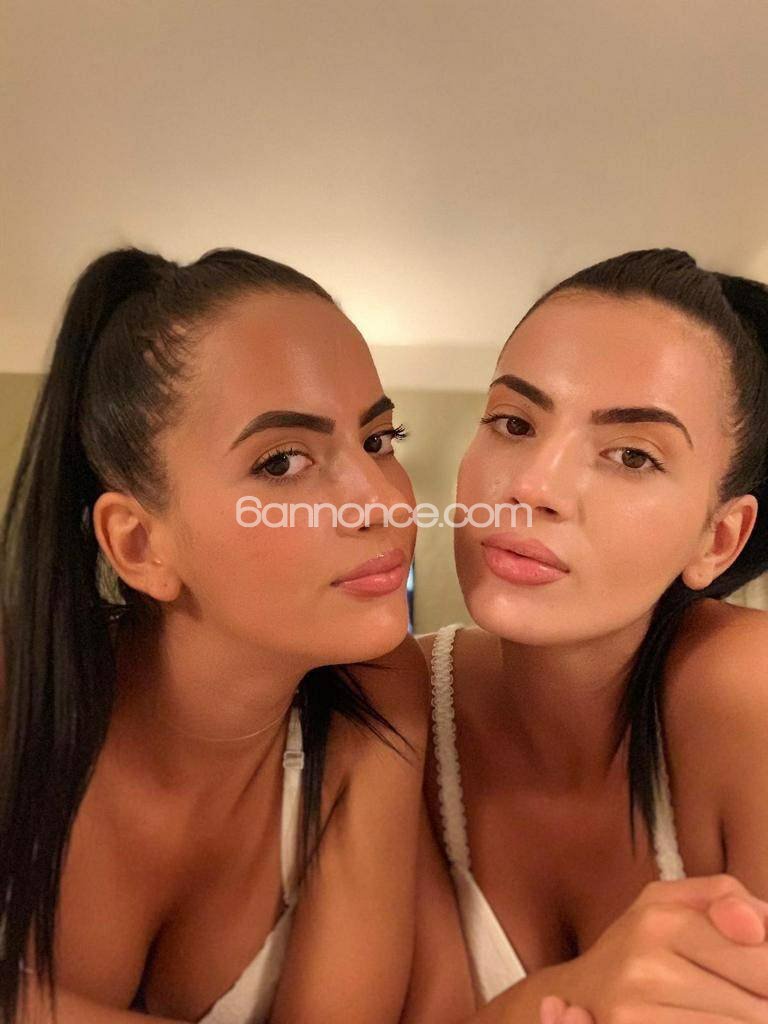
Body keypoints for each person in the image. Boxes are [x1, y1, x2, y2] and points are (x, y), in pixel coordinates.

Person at [0, 246, 429, 1023]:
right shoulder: (15, 688)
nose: (385, 502)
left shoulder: (380, 704)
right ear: (139, 545)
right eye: (283, 462)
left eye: (378, 441)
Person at [407, 248, 768, 1022]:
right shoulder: (393, 700)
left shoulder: (749, 687)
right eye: (514, 423)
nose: (532, 486)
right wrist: (576, 991)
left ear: (719, 541)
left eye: (632, 455)